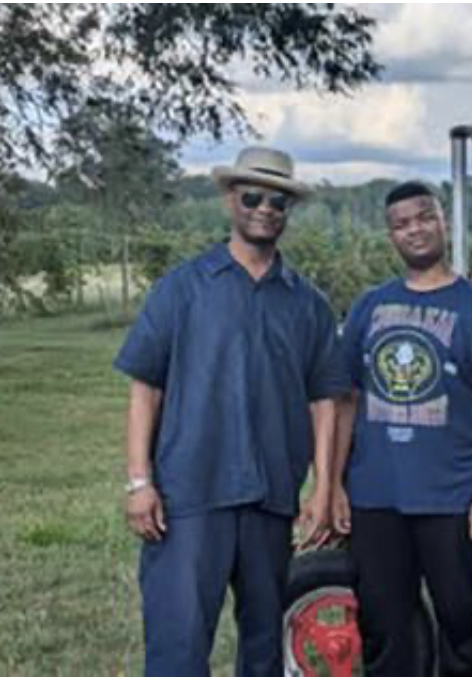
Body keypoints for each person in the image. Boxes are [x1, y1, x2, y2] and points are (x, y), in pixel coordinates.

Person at [114, 146, 344, 675]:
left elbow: (325, 400)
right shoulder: (182, 288)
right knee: (179, 646)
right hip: (189, 496)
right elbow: (144, 388)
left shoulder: (307, 303)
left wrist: (324, 488)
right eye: (253, 196)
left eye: (278, 201)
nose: (266, 208)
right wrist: (138, 483)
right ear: (229, 200)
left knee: (264, 644)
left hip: (271, 499)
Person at [331, 181, 472, 676]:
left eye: (423, 217)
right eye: (401, 223)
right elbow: (347, 398)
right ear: (390, 235)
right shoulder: (369, 306)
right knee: (384, 628)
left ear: (442, 221)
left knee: (463, 627)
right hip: (376, 497)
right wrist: (331, 484)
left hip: (453, 497)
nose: (414, 229)